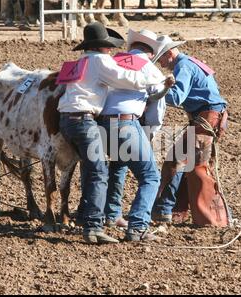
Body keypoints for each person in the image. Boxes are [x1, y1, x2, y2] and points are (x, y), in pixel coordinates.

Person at [58, 22, 164, 244]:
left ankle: (97, 217)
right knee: (147, 175)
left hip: (76, 120)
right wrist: (160, 81)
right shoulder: (103, 61)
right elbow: (130, 80)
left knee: (99, 169)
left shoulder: (82, 62)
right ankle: (133, 227)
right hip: (95, 121)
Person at [98, 29, 173, 242]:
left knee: (118, 165)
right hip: (126, 123)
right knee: (150, 176)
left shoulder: (113, 61)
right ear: (152, 53)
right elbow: (157, 106)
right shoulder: (149, 69)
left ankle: (111, 214)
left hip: (101, 124)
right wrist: (151, 131)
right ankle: (138, 226)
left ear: (132, 47)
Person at [151, 35, 231, 227]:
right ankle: (210, 213)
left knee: (175, 161)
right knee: (195, 164)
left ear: (170, 53)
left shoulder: (183, 67)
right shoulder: (192, 62)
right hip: (212, 117)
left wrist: (155, 92)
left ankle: (165, 210)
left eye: (161, 59)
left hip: (206, 117)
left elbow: (177, 96)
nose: (161, 64)